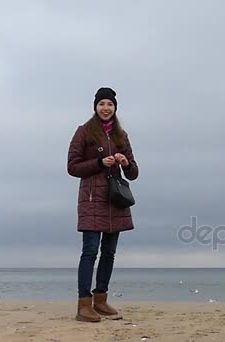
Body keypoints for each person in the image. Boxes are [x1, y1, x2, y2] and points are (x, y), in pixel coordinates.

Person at [67, 87, 139, 322]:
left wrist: (125, 162)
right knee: (90, 251)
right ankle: (83, 304)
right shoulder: (84, 132)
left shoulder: (121, 135)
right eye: (101, 104)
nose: (106, 108)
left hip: (115, 200)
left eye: (110, 104)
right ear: (95, 107)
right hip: (91, 199)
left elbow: (134, 172)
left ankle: (101, 299)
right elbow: (72, 167)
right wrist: (99, 162)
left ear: (115, 108)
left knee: (109, 253)